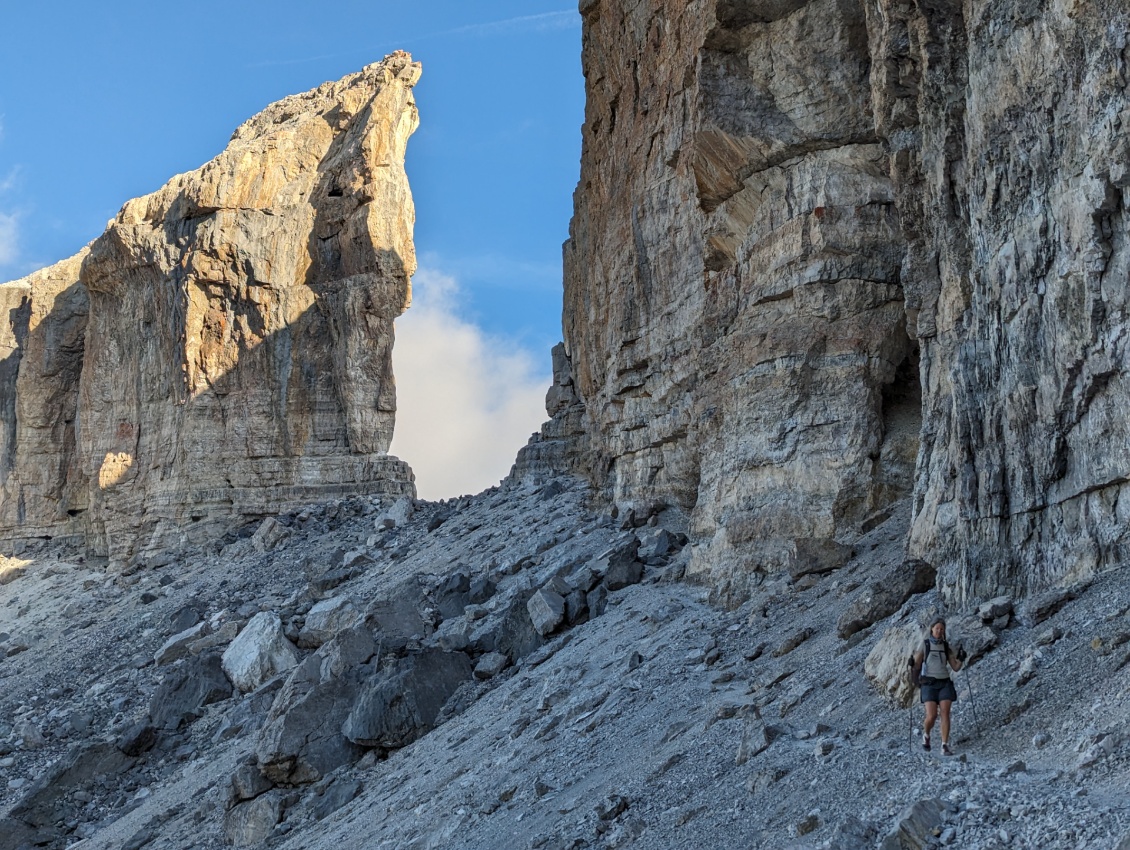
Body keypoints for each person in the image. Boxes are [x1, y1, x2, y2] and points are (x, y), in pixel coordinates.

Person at [909, 617, 967, 755]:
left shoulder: (946, 646)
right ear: (932, 629)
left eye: (942, 629)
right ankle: (926, 735)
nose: (939, 631)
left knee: (945, 713)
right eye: (937, 628)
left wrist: (961, 658)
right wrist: (911, 663)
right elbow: (916, 664)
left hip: (944, 682)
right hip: (928, 683)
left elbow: (955, 667)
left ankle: (944, 745)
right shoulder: (925, 644)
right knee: (932, 715)